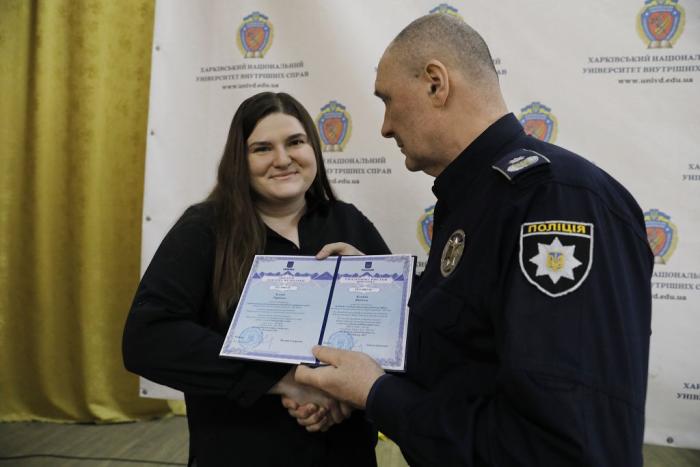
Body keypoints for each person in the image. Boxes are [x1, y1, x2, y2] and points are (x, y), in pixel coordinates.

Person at [296, 13, 654, 467]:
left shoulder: (556, 202)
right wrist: (381, 291)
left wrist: (378, 393)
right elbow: (468, 354)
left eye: (387, 101)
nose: (384, 127)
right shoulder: (479, 198)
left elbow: (559, 447)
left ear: (436, 84)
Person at [122, 92, 390, 467]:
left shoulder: (348, 222)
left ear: (313, 148)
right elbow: (148, 338)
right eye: (262, 148)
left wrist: (345, 394)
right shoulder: (204, 229)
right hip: (242, 450)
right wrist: (284, 379)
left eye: (295, 142)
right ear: (239, 159)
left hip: (346, 452)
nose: (282, 159)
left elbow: (400, 334)